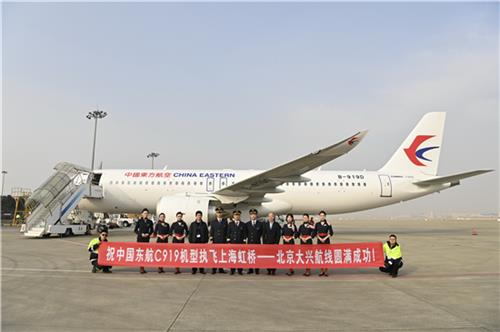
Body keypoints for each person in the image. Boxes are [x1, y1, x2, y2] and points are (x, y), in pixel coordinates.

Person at [188, 210, 209, 274]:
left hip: (201, 242)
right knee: (194, 256)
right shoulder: (192, 224)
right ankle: (194, 269)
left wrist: (206, 241)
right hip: (194, 242)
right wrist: (190, 241)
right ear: (196, 216)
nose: (199, 217)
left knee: (201, 256)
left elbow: (206, 233)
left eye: (200, 215)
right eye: (198, 215)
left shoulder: (204, 224)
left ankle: (201, 270)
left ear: (201, 216)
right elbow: (190, 233)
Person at [227, 210, 247, 275]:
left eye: (238, 215)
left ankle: (240, 270)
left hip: (240, 243)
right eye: (235, 215)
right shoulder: (230, 224)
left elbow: (244, 234)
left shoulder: (243, 224)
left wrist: (244, 242)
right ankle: (232, 270)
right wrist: (229, 241)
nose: (237, 216)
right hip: (232, 243)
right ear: (233, 216)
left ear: (239, 216)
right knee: (232, 256)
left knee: (240, 257)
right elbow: (228, 233)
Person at [134, 208, 154, 274]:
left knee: (145, 253)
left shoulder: (150, 222)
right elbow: (135, 230)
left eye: (147, 213)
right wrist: (141, 234)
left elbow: (152, 230)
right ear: (142, 214)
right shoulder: (139, 221)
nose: (145, 214)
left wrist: (148, 234)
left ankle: (143, 267)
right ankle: (141, 268)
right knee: (140, 253)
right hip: (140, 239)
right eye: (144, 213)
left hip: (146, 239)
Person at [315, 210, 334, 277]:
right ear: (319, 216)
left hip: (326, 240)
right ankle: (321, 270)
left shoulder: (328, 224)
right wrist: (320, 238)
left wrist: (325, 238)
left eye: (323, 215)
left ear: (325, 216)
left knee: (326, 256)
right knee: (320, 255)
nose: (322, 217)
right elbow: (315, 233)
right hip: (319, 240)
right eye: (321, 215)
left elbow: (331, 233)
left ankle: (326, 270)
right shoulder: (317, 224)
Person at [210, 207, 228, 274]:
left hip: (223, 240)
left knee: (221, 255)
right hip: (216, 240)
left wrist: (227, 239)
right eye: (218, 213)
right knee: (215, 255)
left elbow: (227, 231)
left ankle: (221, 269)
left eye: (220, 212)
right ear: (216, 213)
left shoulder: (225, 221)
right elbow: (212, 231)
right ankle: (214, 269)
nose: (219, 214)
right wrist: (211, 238)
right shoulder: (213, 222)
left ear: (222, 213)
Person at [246, 208, 263, 275]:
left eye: (254, 214)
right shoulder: (247, 224)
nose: (253, 216)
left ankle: (257, 269)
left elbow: (261, 233)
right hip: (250, 242)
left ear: (256, 215)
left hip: (257, 242)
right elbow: (246, 233)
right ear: (250, 215)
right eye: (251, 214)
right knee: (250, 256)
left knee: (256, 256)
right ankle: (250, 269)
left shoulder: (260, 224)